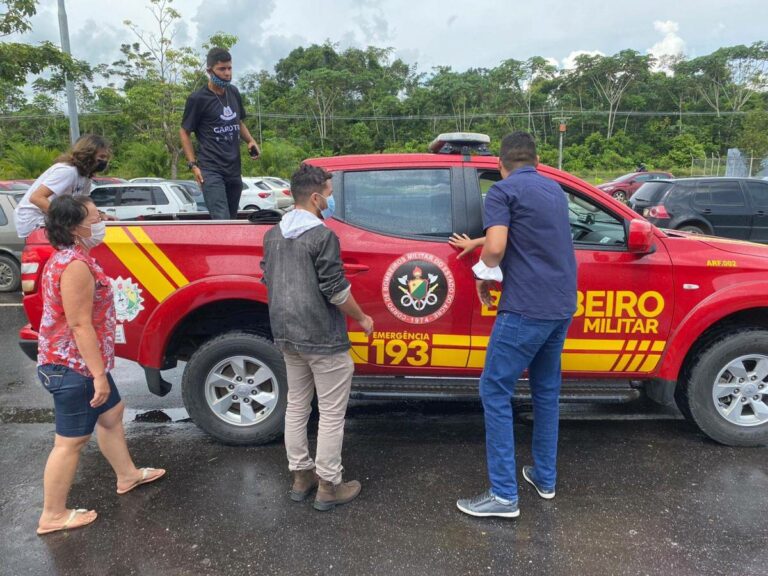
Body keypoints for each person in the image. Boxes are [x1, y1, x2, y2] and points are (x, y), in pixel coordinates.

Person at [456, 132, 577, 519]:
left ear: (500, 164)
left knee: (494, 390)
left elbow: (497, 248)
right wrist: (480, 241)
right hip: (560, 308)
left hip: (524, 309)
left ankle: (504, 496)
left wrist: (482, 271)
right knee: (545, 392)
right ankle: (545, 478)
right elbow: (528, 235)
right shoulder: (554, 191)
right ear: (537, 161)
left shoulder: (502, 193)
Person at [36, 195, 165, 535]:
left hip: (81, 363)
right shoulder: (75, 265)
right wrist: (97, 376)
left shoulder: (73, 257)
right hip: (72, 367)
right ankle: (53, 514)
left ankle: (128, 475)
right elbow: (80, 325)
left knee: (111, 414)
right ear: (76, 227)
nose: (102, 219)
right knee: (70, 442)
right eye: (96, 215)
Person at [260, 163, 374, 512]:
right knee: (330, 412)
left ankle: (300, 476)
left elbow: (268, 279)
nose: (331, 198)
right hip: (322, 337)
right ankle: (329, 483)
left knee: (297, 406)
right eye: (328, 192)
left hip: (286, 334)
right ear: (314, 197)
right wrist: (362, 317)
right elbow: (336, 290)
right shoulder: (322, 236)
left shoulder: (273, 235)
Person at [180, 47, 260, 220]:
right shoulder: (198, 99)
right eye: (222, 69)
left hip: (233, 168)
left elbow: (238, 122)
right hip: (211, 170)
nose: (227, 73)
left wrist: (250, 141)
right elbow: (184, 131)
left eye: (229, 68)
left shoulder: (234, 92)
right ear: (209, 71)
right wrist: (193, 165)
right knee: (221, 219)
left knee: (231, 218)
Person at [14, 134, 112, 239]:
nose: (104, 161)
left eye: (106, 158)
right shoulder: (67, 171)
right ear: (88, 154)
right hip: (34, 219)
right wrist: (65, 219)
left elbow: (83, 204)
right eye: (101, 157)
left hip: (50, 219)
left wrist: (99, 215)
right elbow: (36, 198)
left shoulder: (86, 176)